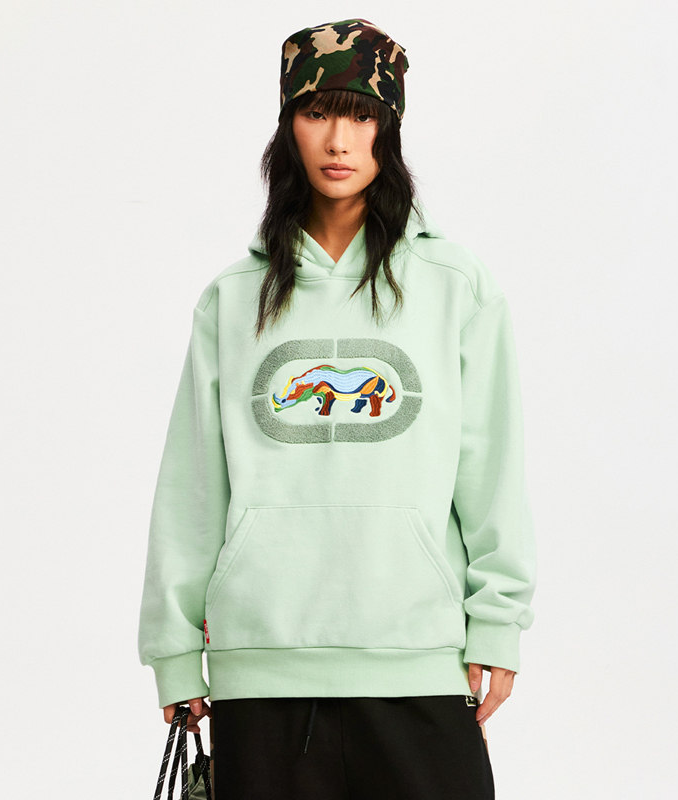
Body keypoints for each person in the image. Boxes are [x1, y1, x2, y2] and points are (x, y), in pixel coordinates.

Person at [137, 17, 537, 799]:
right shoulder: (233, 299)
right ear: (288, 126)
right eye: (317, 112)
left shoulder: (455, 286)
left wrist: (498, 620)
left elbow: (492, 464)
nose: (338, 140)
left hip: (416, 657)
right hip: (263, 668)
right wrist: (175, 650)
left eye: (361, 116)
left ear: (390, 128)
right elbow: (192, 485)